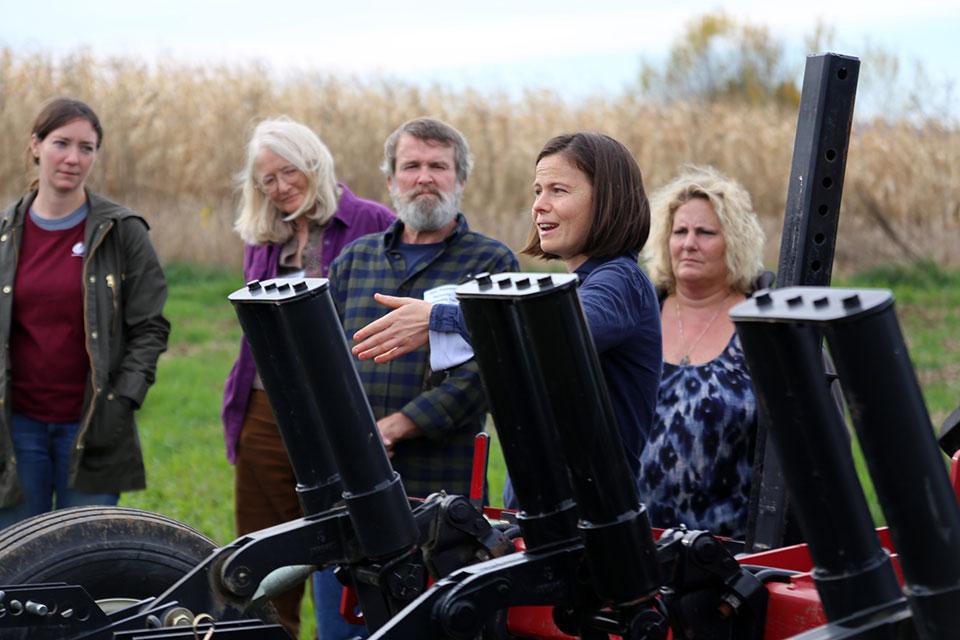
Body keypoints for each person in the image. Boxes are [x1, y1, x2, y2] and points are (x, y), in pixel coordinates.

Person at [350, 132, 663, 507]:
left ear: (607, 198)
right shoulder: (580, 283)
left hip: (589, 523)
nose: (539, 206)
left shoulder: (620, 280)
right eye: (537, 191)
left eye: (558, 191)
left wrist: (440, 318)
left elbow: (560, 333)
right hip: (546, 511)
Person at [220, 117, 395, 638]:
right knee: (264, 550)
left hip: (338, 408)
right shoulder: (263, 236)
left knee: (341, 545)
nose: (280, 187)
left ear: (313, 163)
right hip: (265, 408)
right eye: (267, 180)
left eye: (288, 171)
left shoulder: (372, 221)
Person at [0, 97, 169, 530]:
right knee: (19, 563)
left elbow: (150, 327)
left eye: (87, 147)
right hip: (16, 429)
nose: (73, 159)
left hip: (93, 424)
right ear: (35, 146)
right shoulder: (4, 235)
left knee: (88, 558)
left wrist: (123, 399)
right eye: (61, 143)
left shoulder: (122, 231)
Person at [639, 165, 768, 539]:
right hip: (635, 546)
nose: (689, 243)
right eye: (680, 231)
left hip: (728, 557)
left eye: (705, 232)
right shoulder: (640, 318)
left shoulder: (763, 328)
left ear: (735, 242)